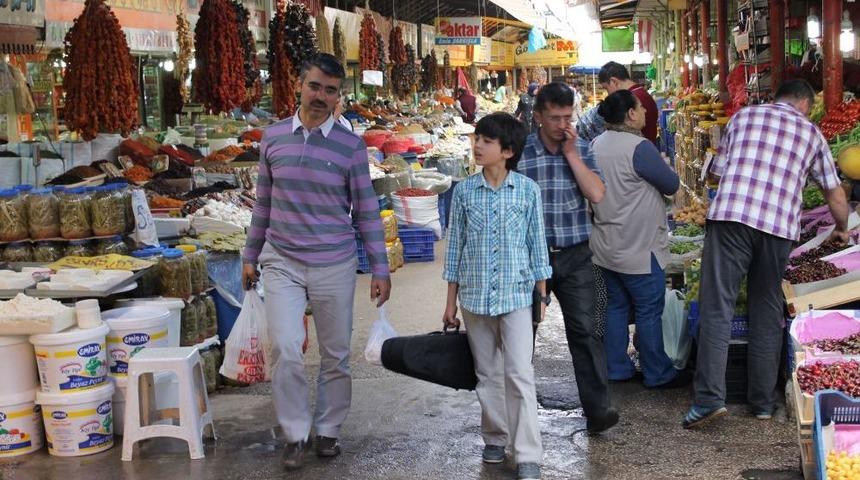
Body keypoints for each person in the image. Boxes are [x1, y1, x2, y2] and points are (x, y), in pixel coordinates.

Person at [241, 53, 392, 469]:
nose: (321, 96)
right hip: (282, 260)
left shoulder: (351, 146)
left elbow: (365, 211)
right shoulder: (273, 138)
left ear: (338, 95)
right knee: (286, 348)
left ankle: (327, 430)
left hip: (334, 262)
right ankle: (294, 432)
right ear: (299, 84)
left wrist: (380, 267)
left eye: (330, 90)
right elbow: (263, 204)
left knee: (335, 354)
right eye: (315, 86)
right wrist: (251, 254)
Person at [683, 79, 850, 429]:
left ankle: (709, 402)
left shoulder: (742, 118)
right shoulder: (812, 134)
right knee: (766, 309)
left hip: (731, 219)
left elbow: (715, 172)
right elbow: (835, 194)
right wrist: (842, 229)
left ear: (776, 99)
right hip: (777, 229)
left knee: (717, 309)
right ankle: (762, 403)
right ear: (805, 104)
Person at [443, 112, 551, 480]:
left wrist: (542, 295)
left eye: (486, 141)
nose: (477, 145)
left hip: (517, 294)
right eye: (477, 138)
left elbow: (537, 244)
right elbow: (455, 247)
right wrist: (449, 303)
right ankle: (494, 435)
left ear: (507, 151)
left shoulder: (527, 190)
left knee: (519, 373)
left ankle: (527, 454)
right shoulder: (463, 192)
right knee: (486, 373)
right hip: (473, 297)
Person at [517, 82, 619, 434]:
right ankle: (515, 415)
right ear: (539, 117)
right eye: (555, 118)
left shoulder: (583, 149)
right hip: (530, 259)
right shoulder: (520, 153)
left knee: (587, 332)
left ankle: (598, 411)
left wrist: (573, 155)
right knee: (520, 336)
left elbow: (597, 194)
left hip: (576, 255)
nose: (563, 125)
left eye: (567, 117)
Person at [590, 90, 690, 388]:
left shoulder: (595, 144)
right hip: (639, 246)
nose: (646, 114)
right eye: (641, 109)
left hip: (606, 245)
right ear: (630, 114)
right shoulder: (639, 148)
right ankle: (656, 372)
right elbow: (671, 184)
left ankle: (617, 368)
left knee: (616, 307)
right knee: (649, 310)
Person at [598, 61, 658, 145]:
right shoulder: (640, 94)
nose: (608, 94)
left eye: (606, 88)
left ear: (614, 82)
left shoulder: (633, 99)